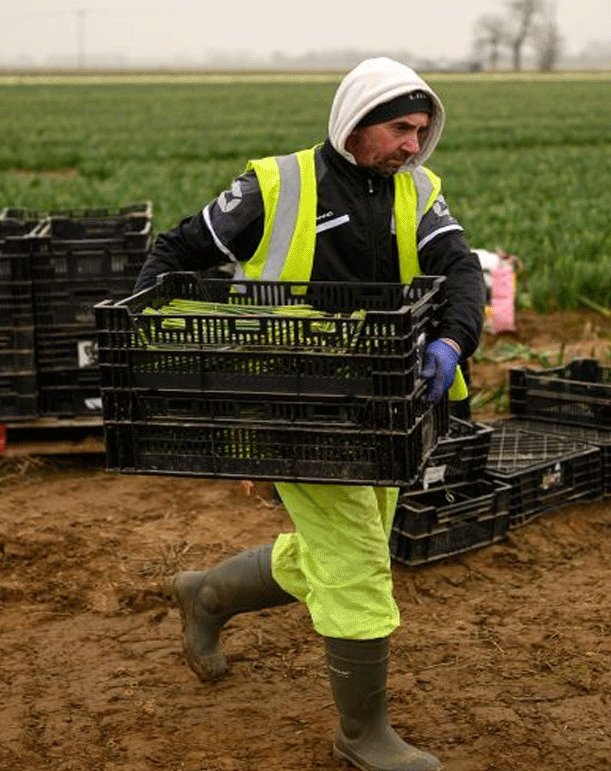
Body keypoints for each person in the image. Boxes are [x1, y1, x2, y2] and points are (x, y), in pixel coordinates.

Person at [134, 57, 484, 771]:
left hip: (385, 408)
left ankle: (206, 594)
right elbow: (176, 250)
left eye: (421, 131)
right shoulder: (276, 184)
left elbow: (461, 271)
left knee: (337, 550)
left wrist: (451, 338)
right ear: (354, 122)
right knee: (356, 563)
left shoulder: (417, 191)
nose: (413, 146)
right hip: (294, 405)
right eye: (399, 129)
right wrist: (146, 342)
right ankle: (363, 736)